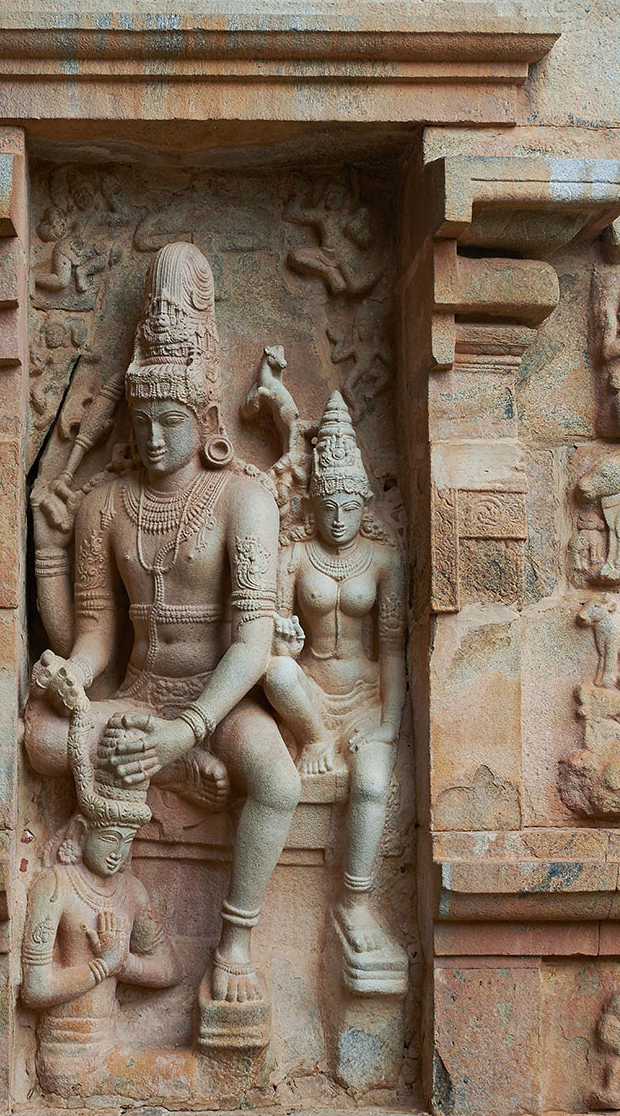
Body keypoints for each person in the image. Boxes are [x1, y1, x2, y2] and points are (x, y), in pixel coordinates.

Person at [27, 241, 301, 1007]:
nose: (151, 437)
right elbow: (96, 638)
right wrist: (72, 676)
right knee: (43, 735)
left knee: (276, 778)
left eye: (170, 420)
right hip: (141, 694)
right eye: (142, 420)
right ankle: (177, 772)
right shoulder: (103, 505)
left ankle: (236, 944)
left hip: (217, 700)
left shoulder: (244, 499)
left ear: (203, 415)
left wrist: (191, 730)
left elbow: (252, 640)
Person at [263, 392, 407, 986]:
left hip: (366, 699)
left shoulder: (383, 559)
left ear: (363, 502)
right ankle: (314, 739)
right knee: (276, 672)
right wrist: (284, 639)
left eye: (350, 504)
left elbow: (394, 649)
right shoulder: (293, 555)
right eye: (329, 504)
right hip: (309, 698)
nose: (340, 517)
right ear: (314, 502)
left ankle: (357, 900)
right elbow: (266, 636)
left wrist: (390, 724)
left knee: (372, 784)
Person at [21, 772, 180, 1088]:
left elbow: (170, 969)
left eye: (126, 841)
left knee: (184, 1071)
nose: (117, 853)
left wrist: (123, 963)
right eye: (109, 838)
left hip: (111, 1044)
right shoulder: (56, 887)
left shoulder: (131, 891)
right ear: (81, 830)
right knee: (185, 1077)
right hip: (67, 1054)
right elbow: (35, 989)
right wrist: (103, 966)